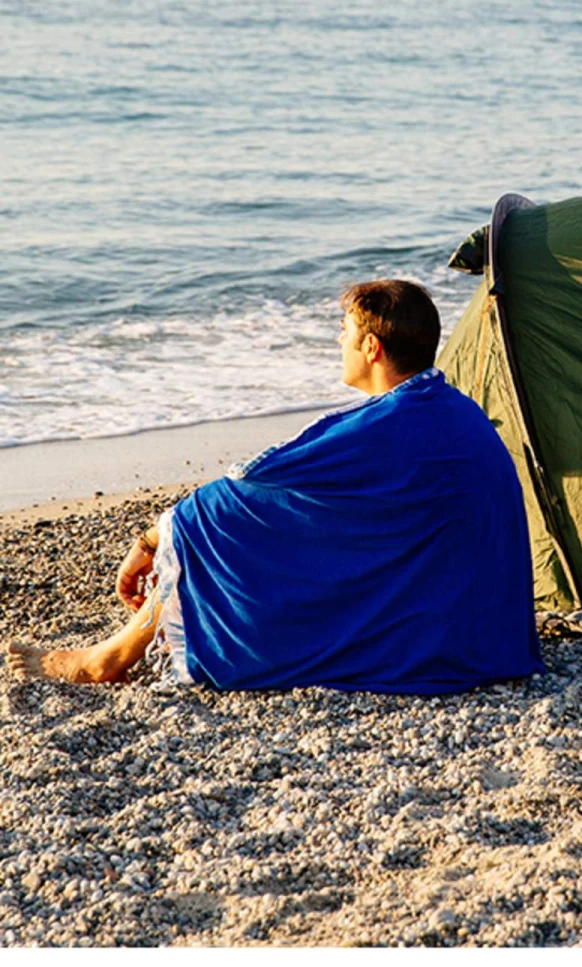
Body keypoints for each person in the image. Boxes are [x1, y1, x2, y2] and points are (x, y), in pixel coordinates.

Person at [5, 280, 543, 693]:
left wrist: (151, 540)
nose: (338, 341)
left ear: (371, 346)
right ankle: (150, 634)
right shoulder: (448, 406)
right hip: (486, 630)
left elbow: (252, 477)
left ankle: (108, 658)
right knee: (274, 516)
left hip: (447, 637)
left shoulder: (386, 424)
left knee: (209, 515)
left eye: (344, 331)